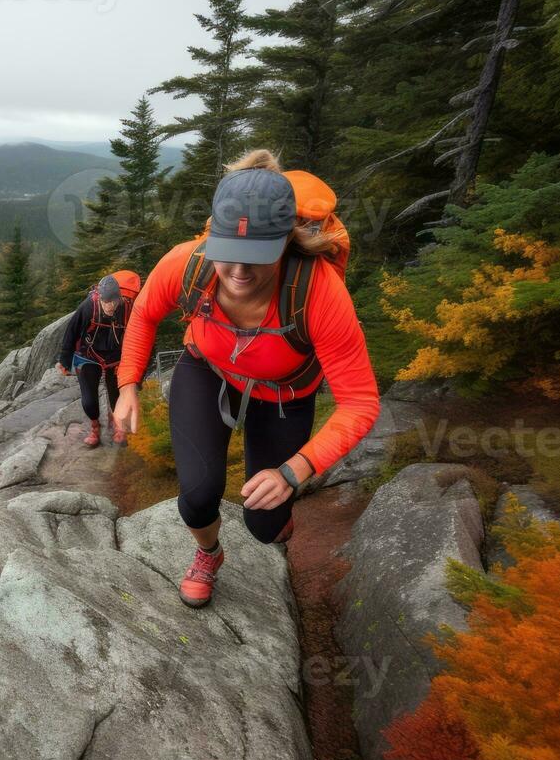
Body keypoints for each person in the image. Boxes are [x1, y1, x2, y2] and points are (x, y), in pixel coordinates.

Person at [113, 153, 380, 608]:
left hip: (284, 393)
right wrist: (127, 385)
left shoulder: (316, 291)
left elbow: (359, 402)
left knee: (265, 524)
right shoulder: (187, 262)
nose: (238, 272)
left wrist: (295, 471)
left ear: (284, 243)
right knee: (197, 496)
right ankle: (208, 554)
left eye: (256, 257)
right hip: (208, 371)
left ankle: (277, 519)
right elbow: (145, 313)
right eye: (227, 254)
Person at [56, 271, 141, 447]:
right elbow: (71, 333)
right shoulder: (88, 307)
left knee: (117, 394)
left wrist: (139, 369)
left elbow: (141, 337)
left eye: (113, 301)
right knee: (89, 400)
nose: (110, 306)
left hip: (116, 356)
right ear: (99, 298)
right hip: (89, 355)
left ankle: (118, 425)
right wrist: (64, 361)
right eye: (106, 301)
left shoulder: (127, 309)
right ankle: (95, 427)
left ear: (119, 298)